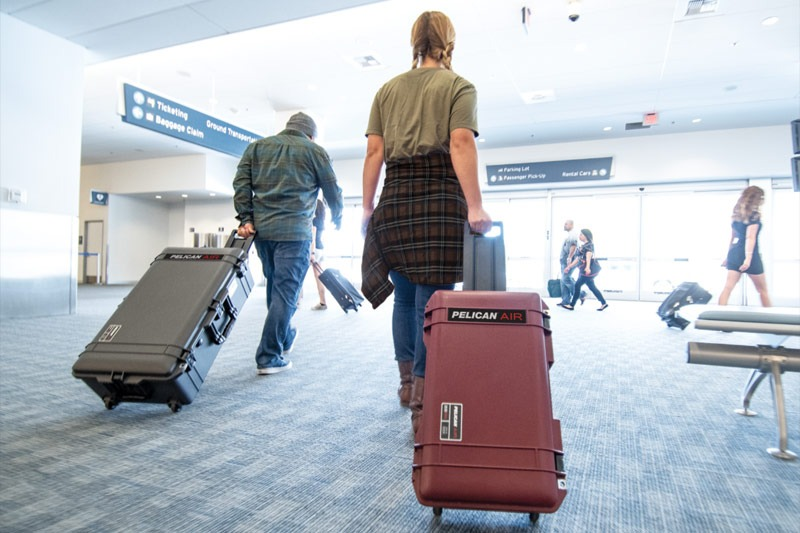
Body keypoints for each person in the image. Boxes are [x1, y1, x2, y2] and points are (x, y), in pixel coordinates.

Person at [360, 11, 492, 431]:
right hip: (439, 195)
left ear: (414, 41)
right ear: (448, 42)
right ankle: (423, 404)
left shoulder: (387, 90)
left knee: (404, 299)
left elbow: (374, 153)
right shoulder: (458, 86)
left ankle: (406, 387)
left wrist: (367, 208)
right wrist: (475, 206)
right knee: (432, 302)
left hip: (395, 197)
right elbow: (460, 142)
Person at [233, 112, 343, 375]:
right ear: (311, 135)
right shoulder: (315, 151)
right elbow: (332, 189)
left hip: (264, 233)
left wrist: (246, 218)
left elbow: (241, 185)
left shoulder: (256, 148)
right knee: (286, 292)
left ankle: (285, 336)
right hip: (295, 233)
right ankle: (268, 356)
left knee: (276, 287)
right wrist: (338, 216)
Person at [718, 185, 771, 306]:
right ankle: (770, 315)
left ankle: (718, 313)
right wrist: (747, 259)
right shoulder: (754, 216)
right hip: (751, 255)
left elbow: (733, 237)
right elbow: (750, 238)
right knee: (762, 290)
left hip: (735, 253)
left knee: (728, 288)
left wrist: (728, 257)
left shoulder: (736, 215)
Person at [562, 229, 608, 311]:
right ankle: (603, 303)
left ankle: (572, 305)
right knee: (592, 287)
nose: (579, 236)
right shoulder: (584, 246)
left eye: (581, 235)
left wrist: (587, 267)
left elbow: (588, 256)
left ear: (586, 236)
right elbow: (578, 259)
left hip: (586, 271)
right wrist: (569, 266)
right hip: (583, 270)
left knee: (577, 285)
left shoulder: (589, 245)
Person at [557, 219, 585, 308]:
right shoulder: (569, 234)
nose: (564, 225)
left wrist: (569, 257)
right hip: (564, 260)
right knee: (563, 280)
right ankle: (565, 301)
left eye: (566, 224)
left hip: (569, 261)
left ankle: (581, 294)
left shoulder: (573, 234)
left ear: (571, 225)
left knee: (565, 278)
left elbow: (573, 246)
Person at [310, 198, 328, 310]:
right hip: (321, 249)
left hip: (314, 250)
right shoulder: (321, 220)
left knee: (298, 276)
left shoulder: (314, 220)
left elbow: (312, 238)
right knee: (320, 278)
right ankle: (323, 302)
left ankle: (295, 301)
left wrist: (312, 253)